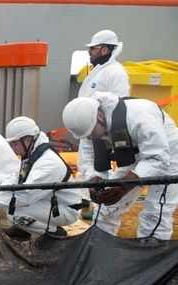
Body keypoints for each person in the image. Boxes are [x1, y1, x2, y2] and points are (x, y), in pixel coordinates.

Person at [62, 92, 178, 240]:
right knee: (107, 208)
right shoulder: (89, 127)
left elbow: (158, 158)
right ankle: (100, 248)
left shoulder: (140, 116)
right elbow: (88, 159)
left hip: (167, 153)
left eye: (90, 133)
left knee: (156, 212)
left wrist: (124, 186)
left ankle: (151, 254)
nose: (89, 138)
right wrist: (95, 180)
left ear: (100, 116)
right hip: (132, 154)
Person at [0, 117, 83, 240]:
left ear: (27, 140)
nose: (13, 148)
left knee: (14, 213)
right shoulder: (33, 154)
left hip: (66, 209)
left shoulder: (48, 163)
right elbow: (15, 178)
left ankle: (53, 233)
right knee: (13, 208)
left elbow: (26, 196)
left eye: (15, 144)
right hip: (51, 200)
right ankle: (23, 230)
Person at [77, 30, 130, 218]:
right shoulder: (98, 71)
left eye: (93, 48)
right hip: (89, 128)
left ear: (106, 49)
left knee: (100, 168)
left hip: (101, 131)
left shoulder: (115, 72)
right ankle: (87, 207)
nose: (90, 52)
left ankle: (98, 208)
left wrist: (104, 131)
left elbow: (119, 103)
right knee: (87, 166)